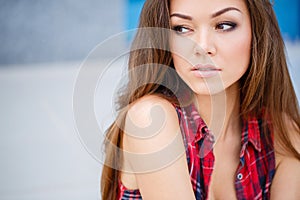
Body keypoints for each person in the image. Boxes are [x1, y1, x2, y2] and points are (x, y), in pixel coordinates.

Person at [101, 0, 300, 199]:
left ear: (257, 31)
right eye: (182, 29)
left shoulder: (284, 135)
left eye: (224, 25)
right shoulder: (151, 120)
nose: (202, 47)